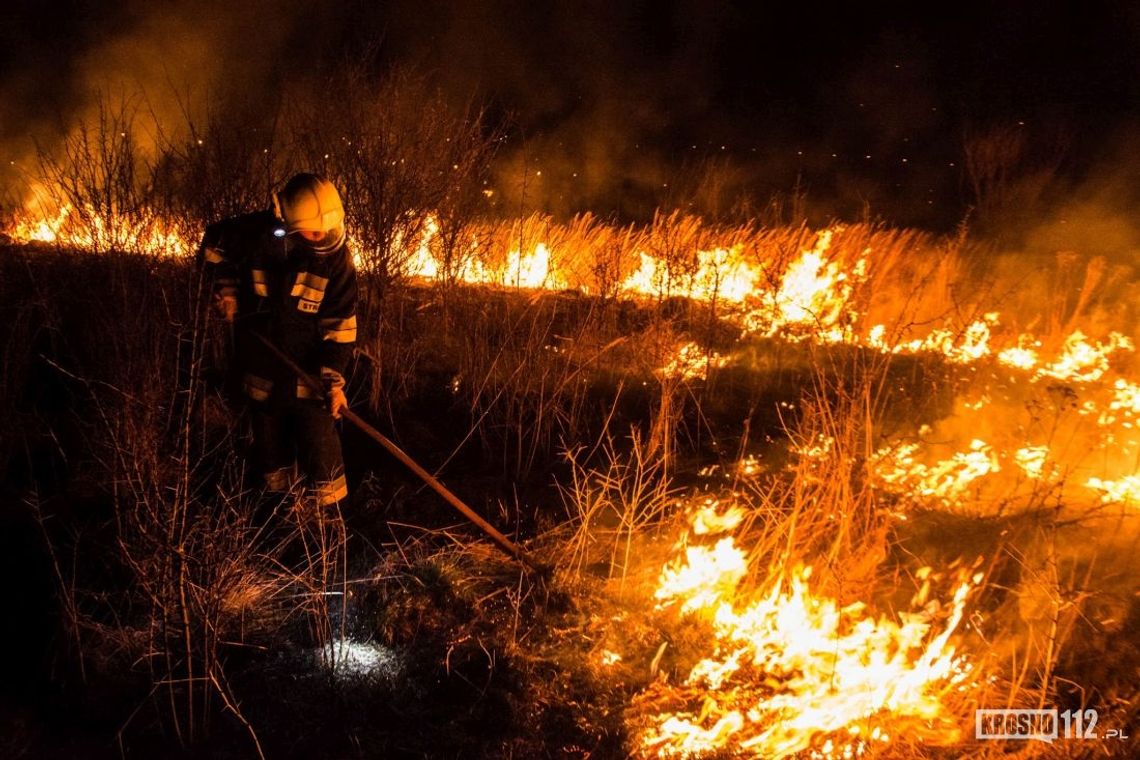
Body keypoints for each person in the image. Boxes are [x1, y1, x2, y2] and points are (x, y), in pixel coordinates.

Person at [197, 172, 357, 510]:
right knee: (270, 451)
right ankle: (281, 517)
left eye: (327, 228)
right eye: (313, 231)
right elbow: (214, 248)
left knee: (321, 452)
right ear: (289, 225)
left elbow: (340, 327)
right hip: (262, 369)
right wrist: (225, 292)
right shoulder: (255, 237)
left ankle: (328, 530)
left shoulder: (336, 261)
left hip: (310, 379)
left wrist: (334, 382)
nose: (322, 236)